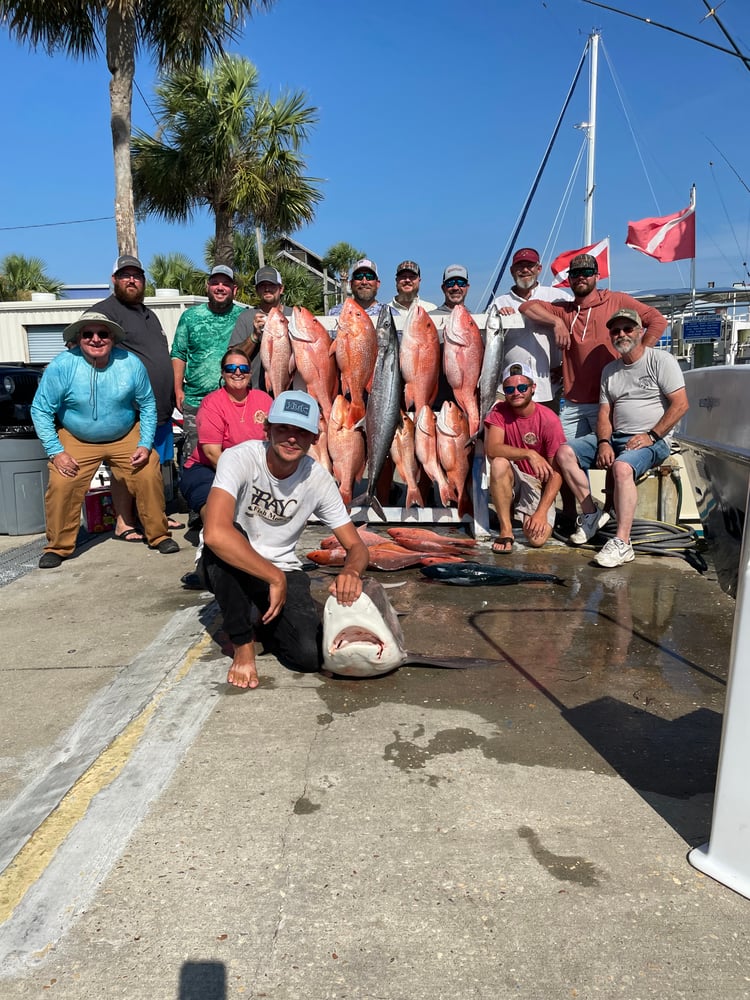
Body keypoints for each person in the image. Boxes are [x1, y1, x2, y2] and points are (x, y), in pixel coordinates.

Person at [202, 390, 369, 690]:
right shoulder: (238, 457)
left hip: (282, 567)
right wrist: (273, 577)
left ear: (314, 438)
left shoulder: (318, 479)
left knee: (307, 656)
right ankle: (242, 644)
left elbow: (356, 546)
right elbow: (215, 533)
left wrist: (351, 571)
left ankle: (261, 618)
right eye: (283, 429)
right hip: (233, 563)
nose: (292, 438)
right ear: (266, 429)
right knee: (227, 538)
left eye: (301, 432)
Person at [30, 311, 178, 569]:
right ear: (79, 338)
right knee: (63, 481)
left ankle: (158, 534)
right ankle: (58, 546)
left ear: (113, 338)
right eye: (88, 334)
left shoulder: (130, 363)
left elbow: (147, 404)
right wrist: (56, 451)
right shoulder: (62, 366)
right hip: (77, 437)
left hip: (125, 434)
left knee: (148, 469)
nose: (96, 339)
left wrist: (144, 443)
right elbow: (41, 409)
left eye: (103, 334)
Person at [555, 309, 688, 567]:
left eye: (628, 329)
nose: (622, 334)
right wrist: (604, 442)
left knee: (622, 467)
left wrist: (651, 435)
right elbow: (604, 413)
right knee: (564, 452)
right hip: (617, 437)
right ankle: (591, 513)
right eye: (616, 331)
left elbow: (681, 405)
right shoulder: (610, 371)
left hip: (653, 441)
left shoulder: (661, 360)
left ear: (640, 331)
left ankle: (623, 543)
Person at [517, 253, 667, 438]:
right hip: (573, 404)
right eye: (575, 273)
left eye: (587, 272)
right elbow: (526, 307)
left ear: (597, 276)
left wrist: (639, 356)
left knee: (607, 455)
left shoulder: (617, 300)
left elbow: (657, 321)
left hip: (609, 401)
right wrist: (557, 322)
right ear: (569, 279)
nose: (581, 277)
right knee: (563, 454)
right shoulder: (564, 310)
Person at [94, 254, 180, 540]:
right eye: (125, 275)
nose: (132, 280)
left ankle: (156, 516)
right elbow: (82, 346)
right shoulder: (104, 311)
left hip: (160, 407)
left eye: (137, 276)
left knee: (153, 466)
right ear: (114, 280)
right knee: (125, 469)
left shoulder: (148, 313)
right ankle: (124, 521)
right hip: (129, 411)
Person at [179, 348, 273, 522]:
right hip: (209, 468)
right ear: (223, 373)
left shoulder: (264, 400)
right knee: (219, 506)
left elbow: (274, 442)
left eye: (243, 369)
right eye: (231, 368)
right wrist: (244, 483)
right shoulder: (212, 403)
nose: (238, 373)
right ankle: (214, 535)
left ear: (250, 373)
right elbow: (212, 453)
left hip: (255, 469)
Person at [484, 363, 565, 553]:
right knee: (498, 463)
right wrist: (530, 453)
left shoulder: (549, 419)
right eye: (509, 389)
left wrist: (541, 513)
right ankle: (506, 530)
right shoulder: (499, 411)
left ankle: (526, 511)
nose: (516, 393)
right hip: (513, 474)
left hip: (536, 481)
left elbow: (557, 472)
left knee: (537, 539)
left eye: (522, 388)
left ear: (533, 388)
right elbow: (492, 449)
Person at [171, 264, 244, 457]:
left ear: (234, 290)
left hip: (234, 402)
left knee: (235, 458)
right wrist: (178, 388)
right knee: (195, 459)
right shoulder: (190, 316)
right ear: (207, 286)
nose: (220, 287)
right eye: (215, 283)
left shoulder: (244, 317)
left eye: (226, 284)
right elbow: (179, 353)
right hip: (196, 402)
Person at [493, 247, 573, 407]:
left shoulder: (559, 297)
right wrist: (498, 318)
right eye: (519, 266)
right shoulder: (498, 303)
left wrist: (566, 367)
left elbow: (578, 335)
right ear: (511, 270)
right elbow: (488, 348)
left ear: (539, 268)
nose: (524, 270)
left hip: (550, 388)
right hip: (509, 389)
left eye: (529, 265)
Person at [229, 266, 293, 388]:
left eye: (272, 285)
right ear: (257, 290)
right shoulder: (246, 317)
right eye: (262, 286)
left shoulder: (294, 316)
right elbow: (232, 358)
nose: (267, 289)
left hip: (289, 393)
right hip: (255, 393)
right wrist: (254, 336)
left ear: (281, 289)